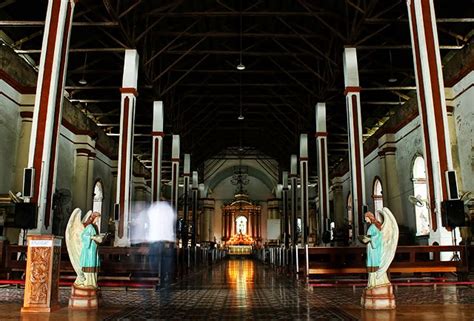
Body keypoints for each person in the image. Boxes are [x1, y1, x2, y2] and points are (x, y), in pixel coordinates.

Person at [147, 201, 177, 291]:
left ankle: (162, 279)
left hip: (161, 242)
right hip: (161, 242)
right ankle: (161, 279)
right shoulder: (167, 213)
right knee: (161, 263)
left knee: (161, 263)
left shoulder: (155, 212)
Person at [360, 211, 390, 288]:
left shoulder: (373, 227)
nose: (365, 220)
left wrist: (369, 238)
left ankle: (375, 283)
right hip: (372, 249)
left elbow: (378, 237)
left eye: (366, 218)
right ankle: (372, 283)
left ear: (369, 217)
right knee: (372, 264)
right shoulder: (373, 226)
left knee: (373, 264)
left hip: (374, 250)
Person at [79, 212, 105, 288]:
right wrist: (92, 237)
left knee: (94, 263)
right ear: (94, 217)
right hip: (89, 249)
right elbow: (84, 235)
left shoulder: (95, 226)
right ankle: (89, 283)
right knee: (90, 263)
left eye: (98, 218)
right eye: (97, 218)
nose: (98, 219)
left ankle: (93, 282)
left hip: (94, 248)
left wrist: (99, 237)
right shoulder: (89, 226)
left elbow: (95, 235)